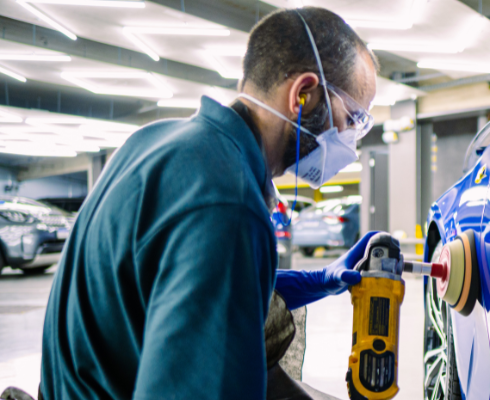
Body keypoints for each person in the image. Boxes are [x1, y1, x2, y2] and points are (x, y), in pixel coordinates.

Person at [39, 7, 379, 400]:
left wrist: (315, 282)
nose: (352, 141)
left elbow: (180, 289)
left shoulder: (156, 142)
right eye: (352, 118)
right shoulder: (228, 204)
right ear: (303, 94)